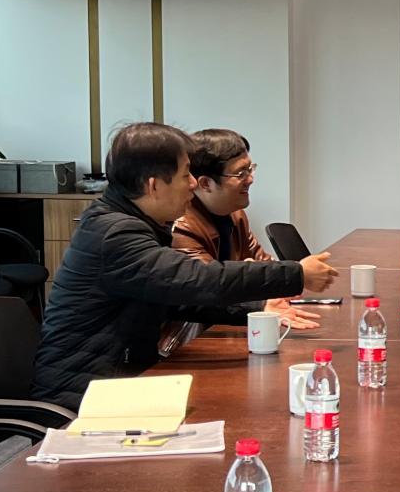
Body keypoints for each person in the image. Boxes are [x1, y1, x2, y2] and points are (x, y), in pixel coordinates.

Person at [32, 122, 337, 405]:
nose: (193, 184)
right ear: (154, 186)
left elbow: (176, 298)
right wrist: (296, 273)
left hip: (117, 381)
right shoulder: (116, 234)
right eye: (185, 175)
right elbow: (198, 279)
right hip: (86, 397)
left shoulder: (133, 224)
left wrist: (256, 307)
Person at [173, 128, 319, 332]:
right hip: (194, 334)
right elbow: (207, 288)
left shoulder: (235, 213)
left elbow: (263, 265)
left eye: (250, 169)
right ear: (205, 183)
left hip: (230, 324)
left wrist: (256, 277)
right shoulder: (181, 226)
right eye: (241, 173)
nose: (250, 179)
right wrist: (252, 279)